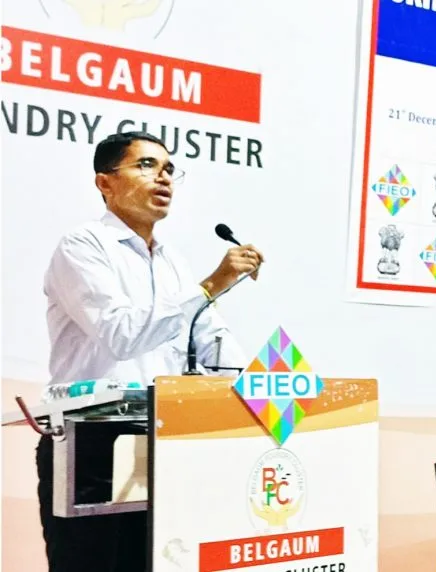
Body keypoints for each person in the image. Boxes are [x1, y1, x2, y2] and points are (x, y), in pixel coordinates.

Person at [37, 131, 263, 572]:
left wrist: (258, 388)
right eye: (146, 165)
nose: (163, 178)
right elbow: (122, 336)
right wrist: (212, 284)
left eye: (169, 169)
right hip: (93, 444)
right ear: (105, 182)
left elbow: (210, 339)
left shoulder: (172, 261)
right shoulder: (82, 246)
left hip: (164, 440)